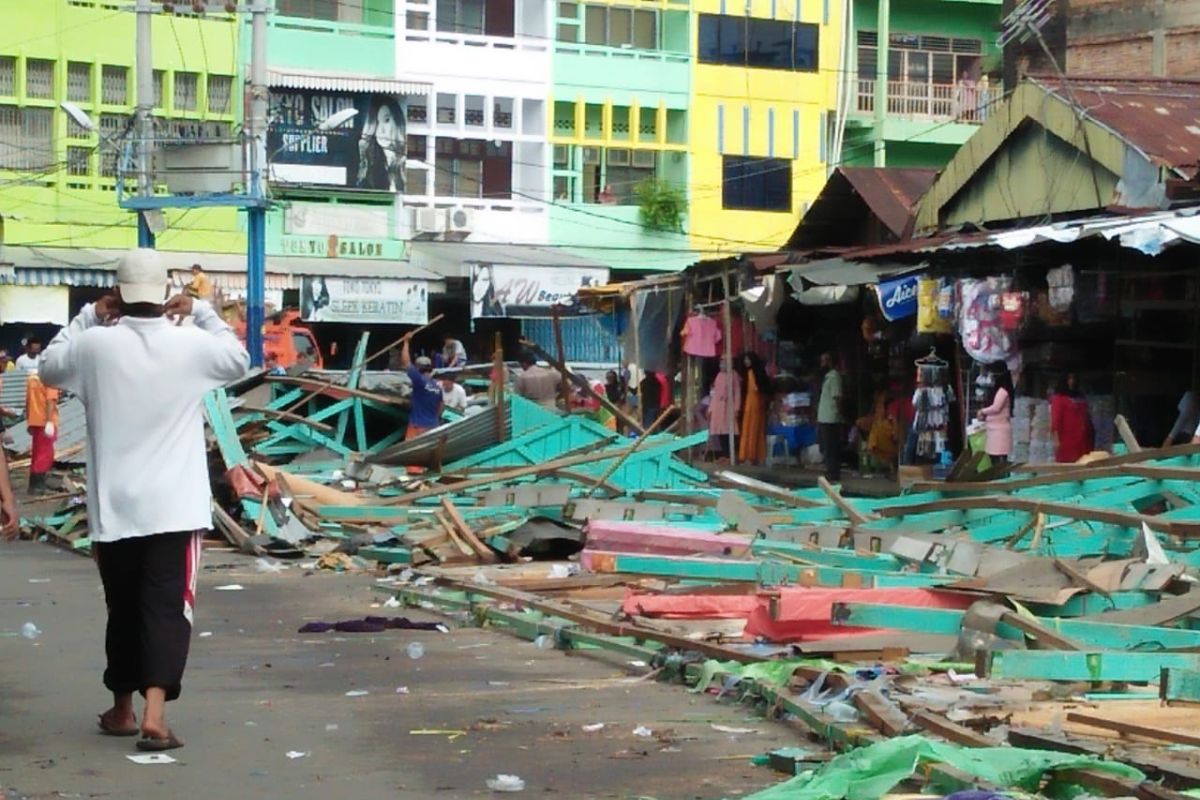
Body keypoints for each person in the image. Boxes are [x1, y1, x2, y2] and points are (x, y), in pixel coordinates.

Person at [39, 248, 249, 752]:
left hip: (115, 506)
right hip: (175, 505)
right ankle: (155, 714)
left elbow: (48, 366)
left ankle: (122, 708)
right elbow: (240, 359)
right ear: (164, 293)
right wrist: (198, 308)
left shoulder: (93, 346)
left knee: (124, 607)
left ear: (119, 293)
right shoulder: (191, 345)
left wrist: (90, 312)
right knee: (166, 607)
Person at [356, 99, 405, 192]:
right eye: (377, 123)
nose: (381, 131)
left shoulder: (403, 164)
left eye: (386, 120)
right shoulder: (372, 169)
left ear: (398, 121)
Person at [399, 342, 443, 440]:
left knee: (411, 452)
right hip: (433, 426)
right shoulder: (437, 387)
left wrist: (406, 342)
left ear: (418, 367)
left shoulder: (419, 380)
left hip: (417, 426)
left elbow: (406, 362)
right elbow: (440, 407)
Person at [25, 371, 59, 495]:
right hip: (45, 421)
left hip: (35, 420)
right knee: (45, 454)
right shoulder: (51, 380)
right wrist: (49, 421)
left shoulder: (31, 379)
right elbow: (50, 401)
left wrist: (29, 421)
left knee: (37, 453)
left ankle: (34, 484)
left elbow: (28, 401)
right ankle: (38, 486)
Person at [1050, 373, 1093, 463]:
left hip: (1083, 439)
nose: (1072, 381)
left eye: (1073, 378)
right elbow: (1056, 419)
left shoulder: (1081, 397)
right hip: (1067, 439)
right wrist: (1056, 439)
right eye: (1069, 378)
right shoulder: (1059, 398)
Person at [977, 362, 1014, 465]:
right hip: (994, 430)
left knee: (999, 460)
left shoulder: (1003, 391)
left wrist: (982, 411)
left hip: (999, 431)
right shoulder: (999, 390)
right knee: (994, 459)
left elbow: (996, 408)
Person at [737, 353, 770, 466]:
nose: (746, 362)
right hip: (749, 405)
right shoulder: (748, 373)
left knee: (754, 430)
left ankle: (752, 456)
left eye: (748, 359)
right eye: (745, 359)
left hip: (756, 405)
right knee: (748, 429)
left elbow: (762, 388)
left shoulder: (756, 373)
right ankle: (747, 456)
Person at [706, 360, 741, 461]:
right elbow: (715, 394)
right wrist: (711, 408)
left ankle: (730, 454)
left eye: (724, 363)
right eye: (721, 363)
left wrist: (736, 408)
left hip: (729, 405)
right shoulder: (719, 375)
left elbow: (737, 392)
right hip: (718, 405)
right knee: (719, 430)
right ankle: (724, 454)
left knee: (729, 430)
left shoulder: (734, 375)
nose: (721, 365)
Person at [816, 352, 843, 481]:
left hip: (831, 418)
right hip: (824, 417)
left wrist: (840, 414)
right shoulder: (826, 377)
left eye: (824, 361)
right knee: (825, 448)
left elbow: (837, 397)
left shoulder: (834, 377)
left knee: (831, 448)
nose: (822, 364)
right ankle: (830, 472)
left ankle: (833, 474)